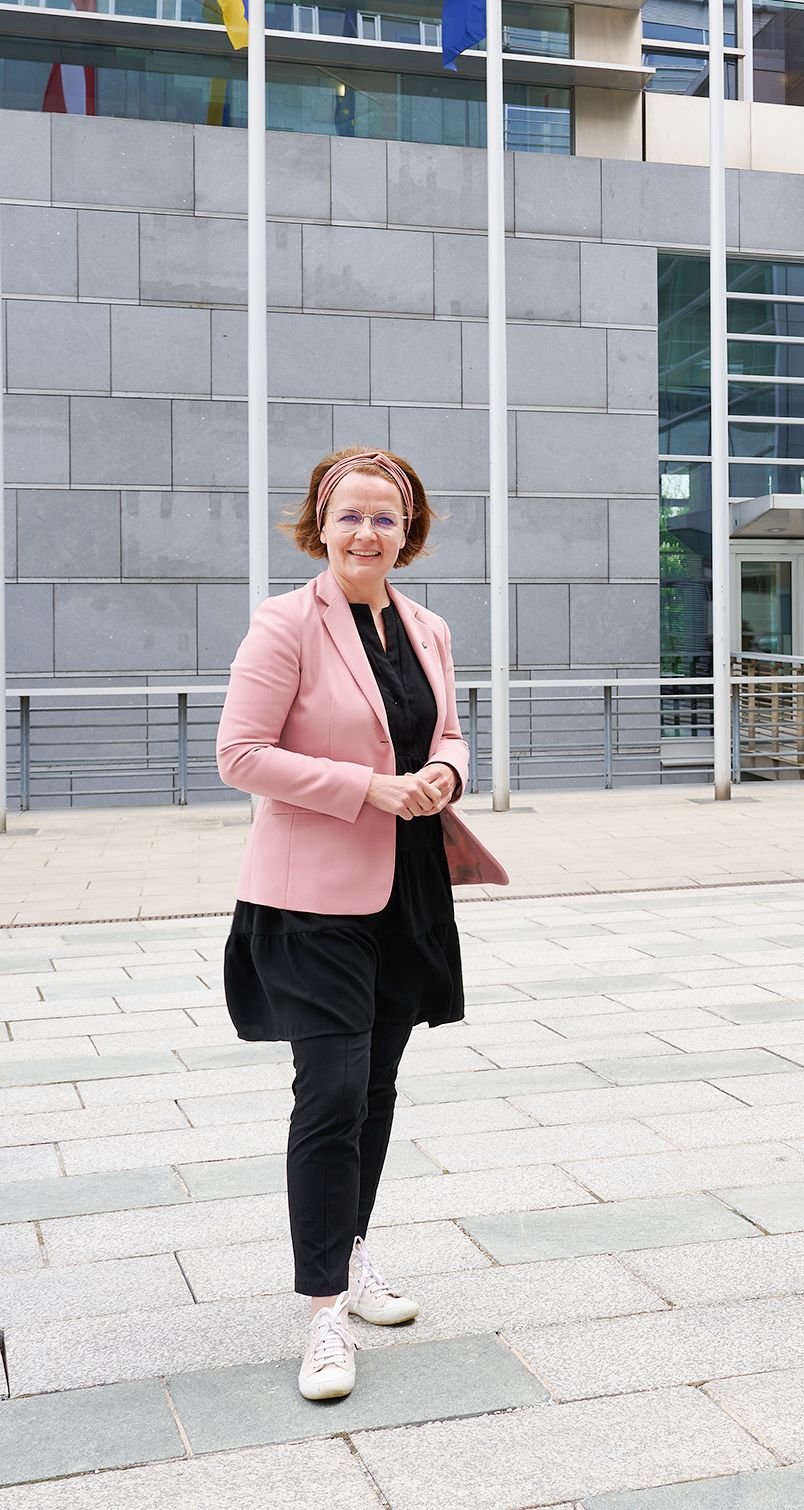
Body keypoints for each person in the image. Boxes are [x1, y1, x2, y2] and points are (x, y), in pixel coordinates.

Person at [217, 447, 505, 1402]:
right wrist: (368, 788)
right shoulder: (285, 625)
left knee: (377, 1087)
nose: (368, 533)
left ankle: (355, 1251)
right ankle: (323, 1313)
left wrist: (445, 776)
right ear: (321, 522)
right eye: (351, 516)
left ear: (408, 531)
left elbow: (451, 734)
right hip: (311, 903)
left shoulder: (426, 627)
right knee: (330, 1094)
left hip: (408, 888)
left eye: (387, 517)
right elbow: (240, 754)